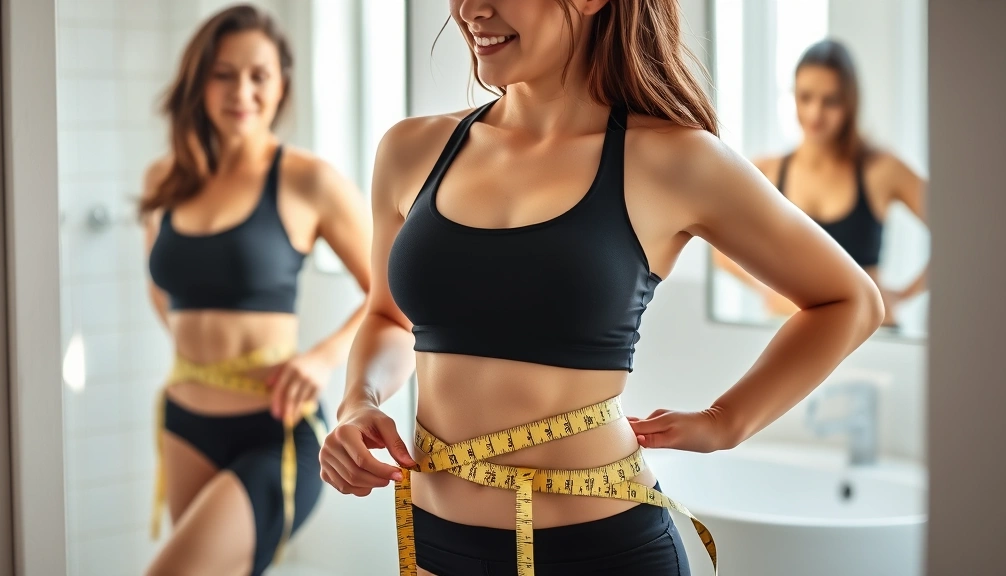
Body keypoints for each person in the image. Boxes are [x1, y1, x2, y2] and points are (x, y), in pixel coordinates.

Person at [321, 1, 883, 575]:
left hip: (601, 552)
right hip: (439, 545)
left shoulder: (672, 158)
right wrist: (355, 402)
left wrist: (726, 421)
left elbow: (849, 301)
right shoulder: (411, 149)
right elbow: (389, 318)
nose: (470, 8)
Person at [139, 5, 372, 576]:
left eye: (258, 75)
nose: (240, 90)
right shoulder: (166, 179)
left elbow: (395, 296)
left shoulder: (306, 179)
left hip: (276, 430)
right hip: (185, 421)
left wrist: (320, 359)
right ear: (199, 81)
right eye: (223, 73)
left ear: (281, 84)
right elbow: (161, 286)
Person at [714, 39, 929, 326]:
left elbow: (959, 236)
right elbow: (719, 247)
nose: (815, 113)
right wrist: (765, 290)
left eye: (830, 101)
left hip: (870, 336)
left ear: (849, 103)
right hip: (791, 331)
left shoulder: (883, 170)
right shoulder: (766, 171)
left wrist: (902, 296)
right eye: (805, 97)